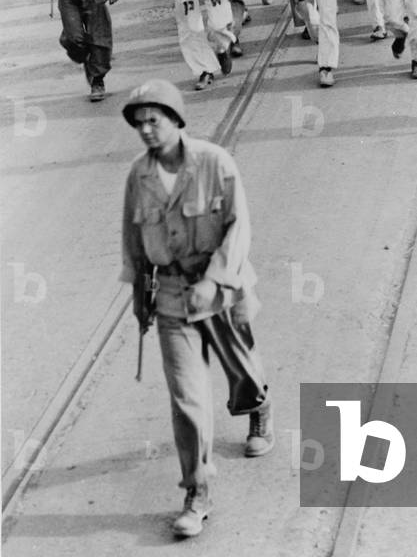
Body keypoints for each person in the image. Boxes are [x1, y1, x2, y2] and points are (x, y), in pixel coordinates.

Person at [120, 79, 272, 540]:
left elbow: (238, 228)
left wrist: (215, 281)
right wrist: (138, 298)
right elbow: (133, 240)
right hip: (170, 296)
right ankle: (197, 491)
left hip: (223, 289)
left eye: (155, 120)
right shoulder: (138, 176)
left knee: (242, 371)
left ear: (176, 120)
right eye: (139, 122)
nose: (146, 130)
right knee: (187, 398)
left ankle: (259, 408)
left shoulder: (214, 162)